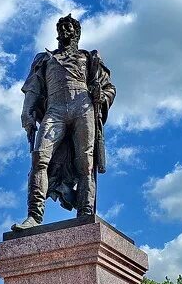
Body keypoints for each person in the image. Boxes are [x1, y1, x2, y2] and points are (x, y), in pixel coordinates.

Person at [12, 14, 116, 230]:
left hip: (83, 107)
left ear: (77, 33)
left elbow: (108, 88)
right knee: (39, 158)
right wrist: (26, 112)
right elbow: (33, 88)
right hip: (55, 109)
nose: (64, 31)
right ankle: (34, 216)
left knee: (85, 162)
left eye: (69, 27)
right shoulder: (45, 59)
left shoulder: (89, 57)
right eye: (61, 27)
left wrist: (101, 96)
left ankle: (85, 212)